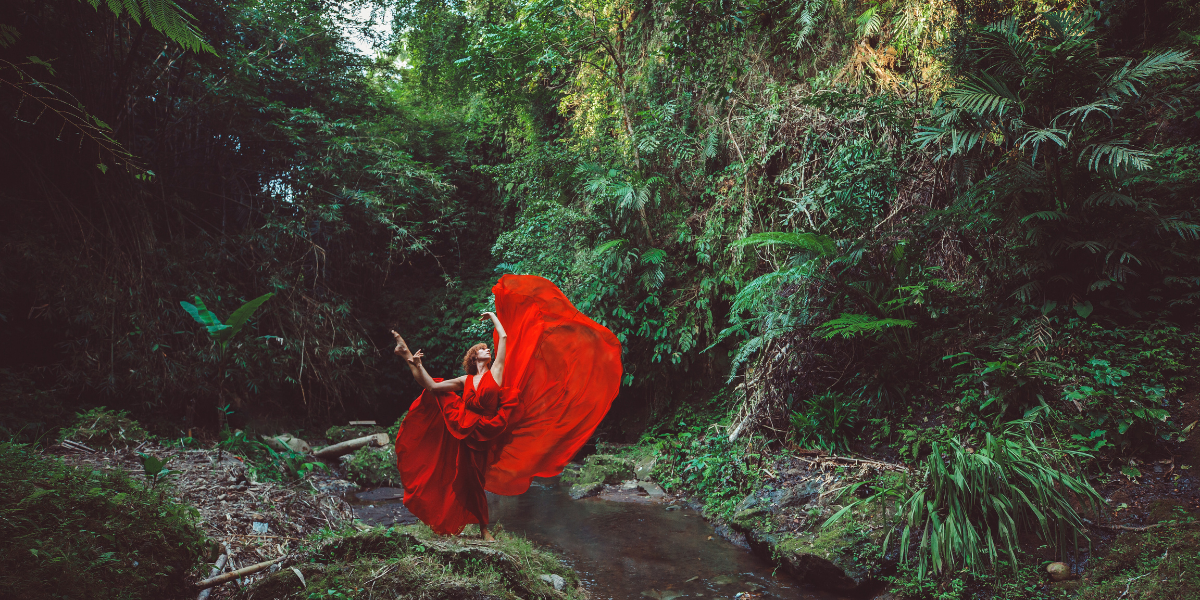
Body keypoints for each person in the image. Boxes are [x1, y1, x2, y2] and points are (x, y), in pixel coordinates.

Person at [391, 274, 623, 540]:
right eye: (482, 349)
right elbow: (432, 386)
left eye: (487, 349)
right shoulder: (466, 380)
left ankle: (484, 529)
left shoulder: (496, 373)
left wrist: (493, 315)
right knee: (463, 473)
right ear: (474, 356)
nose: (487, 350)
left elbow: (504, 337)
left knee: (476, 480)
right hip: (465, 430)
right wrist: (418, 365)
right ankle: (407, 355)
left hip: (488, 432)